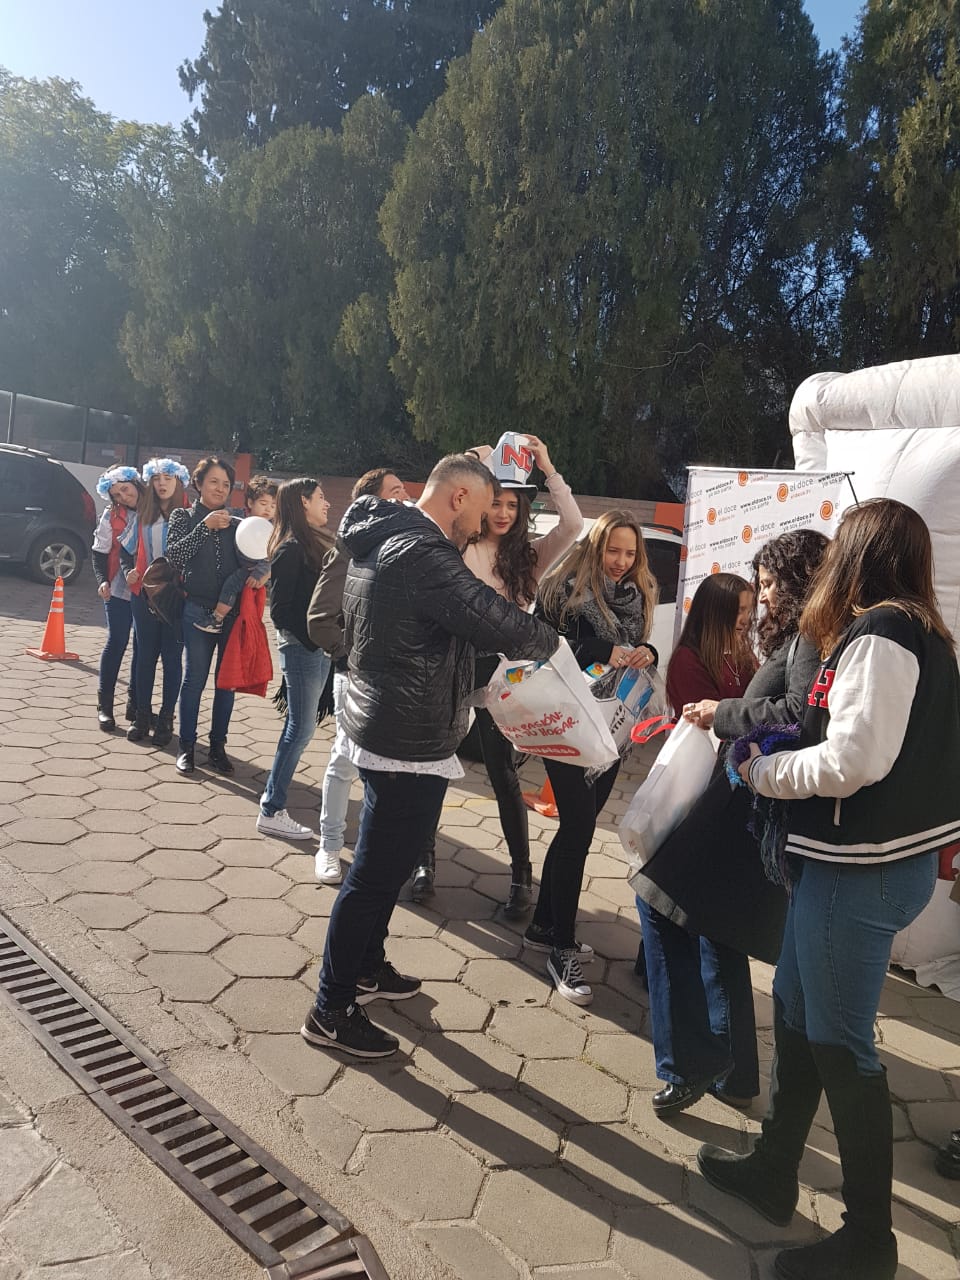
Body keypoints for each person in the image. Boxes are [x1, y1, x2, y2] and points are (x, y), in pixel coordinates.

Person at [698, 499, 960, 1280]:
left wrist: (760, 771)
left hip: (862, 872)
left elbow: (852, 762)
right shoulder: (921, 634)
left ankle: (868, 1242)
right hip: (861, 868)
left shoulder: (881, 633)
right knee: (799, 1013)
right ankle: (775, 1168)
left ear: (860, 551)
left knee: (843, 1048)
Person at [300, 453, 558, 1059]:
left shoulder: (386, 536)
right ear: (459, 498)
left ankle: (366, 967)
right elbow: (495, 618)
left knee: (383, 866)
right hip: (404, 734)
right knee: (372, 873)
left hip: (393, 723)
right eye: (484, 508)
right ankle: (330, 1008)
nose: (486, 523)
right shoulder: (424, 553)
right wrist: (552, 642)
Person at [633, 536, 827, 1120]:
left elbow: (798, 714)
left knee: (659, 900)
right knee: (719, 934)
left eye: (769, 584)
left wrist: (722, 713)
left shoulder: (812, 635)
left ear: (797, 580)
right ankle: (737, 1070)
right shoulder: (799, 635)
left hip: (749, 808)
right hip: (748, 804)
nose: (763, 597)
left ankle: (692, 1061)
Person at [525, 511, 658, 1006]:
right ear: (596, 545)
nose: (621, 563)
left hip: (612, 724)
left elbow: (641, 643)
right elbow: (541, 647)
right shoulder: (563, 584)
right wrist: (604, 649)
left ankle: (543, 924)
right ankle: (561, 947)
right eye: (612, 551)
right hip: (566, 720)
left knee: (575, 829)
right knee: (579, 831)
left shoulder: (640, 591)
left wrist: (645, 653)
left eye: (629, 553)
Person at [449, 433, 583, 916]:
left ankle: (520, 878)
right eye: (496, 503)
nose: (503, 513)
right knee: (434, 766)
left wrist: (548, 466)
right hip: (452, 667)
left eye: (513, 504)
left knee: (504, 776)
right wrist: (471, 463)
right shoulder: (457, 546)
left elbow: (572, 524)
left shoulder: (527, 558)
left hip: (502, 678)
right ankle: (423, 862)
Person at [309, 465, 411, 886]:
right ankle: (329, 846)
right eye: (395, 491)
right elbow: (319, 619)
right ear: (371, 501)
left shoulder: (411, 546)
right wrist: (353, 656)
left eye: (405, 490)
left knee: (388, 769)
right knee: (345, 761)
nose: (404, 497)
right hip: (355, 673)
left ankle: (375, 853)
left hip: (399, 676)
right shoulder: (350, 547)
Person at [256, 478, 335, 847]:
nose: (327, 504)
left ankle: (272, 804)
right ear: (303, 502)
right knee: (299, 729)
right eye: (320, 498)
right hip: (302, 647)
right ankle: (272, 810)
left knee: (299, 727)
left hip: (317, 648)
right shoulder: (290, 548)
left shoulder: (314, 541)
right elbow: (283, 611)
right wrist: (315, 638)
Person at [166, 456, 241, 777]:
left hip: (232, 614)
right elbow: (174, 555)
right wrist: (203, 528)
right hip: (196, 609)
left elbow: (254, 561)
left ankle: (217, 748)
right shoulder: (184, 516)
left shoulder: (238, 522)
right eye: (213, 482)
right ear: (198, 483)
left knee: (226, 685)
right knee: (194, 680)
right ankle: (186, 747)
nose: (220, 489)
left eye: (226, 484)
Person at [121, 458, 191, 747]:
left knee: (173, 661)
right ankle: (142, 716)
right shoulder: (142, 515)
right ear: (150, 482)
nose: (162, 483)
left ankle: (166, 718)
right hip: (143, 597)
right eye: (157, 478)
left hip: (175, 600)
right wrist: (129, 571)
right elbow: (125, 550)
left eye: (168, 478)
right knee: (145, 657)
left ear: (178, 483)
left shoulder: (188, 516)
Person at [91, 466, 144, 732]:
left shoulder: (156, 509)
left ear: (135, 482)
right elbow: (99, 552)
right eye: (116, 494)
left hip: (149, 585)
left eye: (125, 488)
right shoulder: (111, 516)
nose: (123, 496)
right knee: (118, 640)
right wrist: (102, 580)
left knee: (143, 646)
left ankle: (136, 706)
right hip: (117, 585)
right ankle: (105, 706)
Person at [193, 476, 278, 634]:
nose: (268, 509)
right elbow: (231, 514)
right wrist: (224, 514)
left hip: (252, 568)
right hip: (238, 561)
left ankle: (217, 618)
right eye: (263, 504)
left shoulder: (271, 528)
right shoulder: (243, 516)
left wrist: (259, 574)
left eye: (273, 506)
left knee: (231, 585)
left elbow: (270, 556)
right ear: (251, 503)